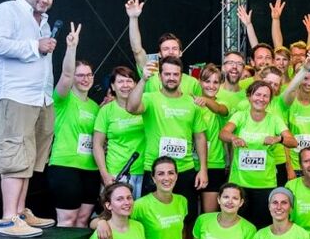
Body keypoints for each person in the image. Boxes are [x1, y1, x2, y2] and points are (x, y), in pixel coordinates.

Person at [0, 0, 59, 237]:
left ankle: (19, 211)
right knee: (15, 156)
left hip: (39, 98)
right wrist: (35, 45)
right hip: (15, 97)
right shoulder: (7, 11)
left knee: (29, 158)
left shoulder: (43, 22)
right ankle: (7, 219)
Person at [126, 56, 208, 223]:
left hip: (184, 170)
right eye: (167, 74)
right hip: (154, 170)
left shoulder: (192, 103)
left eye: (175, 74)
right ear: (160, 76)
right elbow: (131, 107)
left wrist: (203, 169)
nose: (171, 78)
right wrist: (142, 79)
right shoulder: (150, 98)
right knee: (151, 219)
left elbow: (200, 137)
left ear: (181, 76)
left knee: (187, 219)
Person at [220, 81, 296, 228]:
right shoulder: (240, 116)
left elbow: (293, 142)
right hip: (239, 185)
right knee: (239, 227)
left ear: (269, 100)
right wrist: (233, 138)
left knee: (262, 227)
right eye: (258, 94)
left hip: (265, 185)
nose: (261, 99)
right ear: (249, 97)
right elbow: (223, 133)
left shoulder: (274, 119)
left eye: (265, 96)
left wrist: (278, 139)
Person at [47, 22, 100, 227]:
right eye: (81, 75)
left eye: (88, 75)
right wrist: (71, 47)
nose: (85, 79)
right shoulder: (63, 99)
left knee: (83, 220)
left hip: (90, 170)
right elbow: (66, 75)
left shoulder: (96, 107)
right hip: (65, 166)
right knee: (67, 220)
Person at [125, 0, 201, 97]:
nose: (170, 51)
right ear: (159, 54)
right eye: (166, 49)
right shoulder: (149, 73)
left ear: (180, 53)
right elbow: (137, 50)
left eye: (174, 48)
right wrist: (133, 18)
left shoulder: (193, 83)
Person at [93, 67, 145, 196]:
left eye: (129, 81)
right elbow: (97, 145)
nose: (125, 85)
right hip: (117, 172)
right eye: (120, 82)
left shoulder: (145, 106)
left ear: (135, 84)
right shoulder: (106, 110)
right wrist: (104, 174)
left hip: (145, 170)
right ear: (113, 86)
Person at [195, 64, 230, 215]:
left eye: (216, 82)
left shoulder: (223, 103)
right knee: (188, 216)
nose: (211, 85)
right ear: (199, 82)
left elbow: (219, 109)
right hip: (190, 165)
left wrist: (204, 100)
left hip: (214, 165)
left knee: (208, 215)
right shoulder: (191, 104)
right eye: (207, 81)